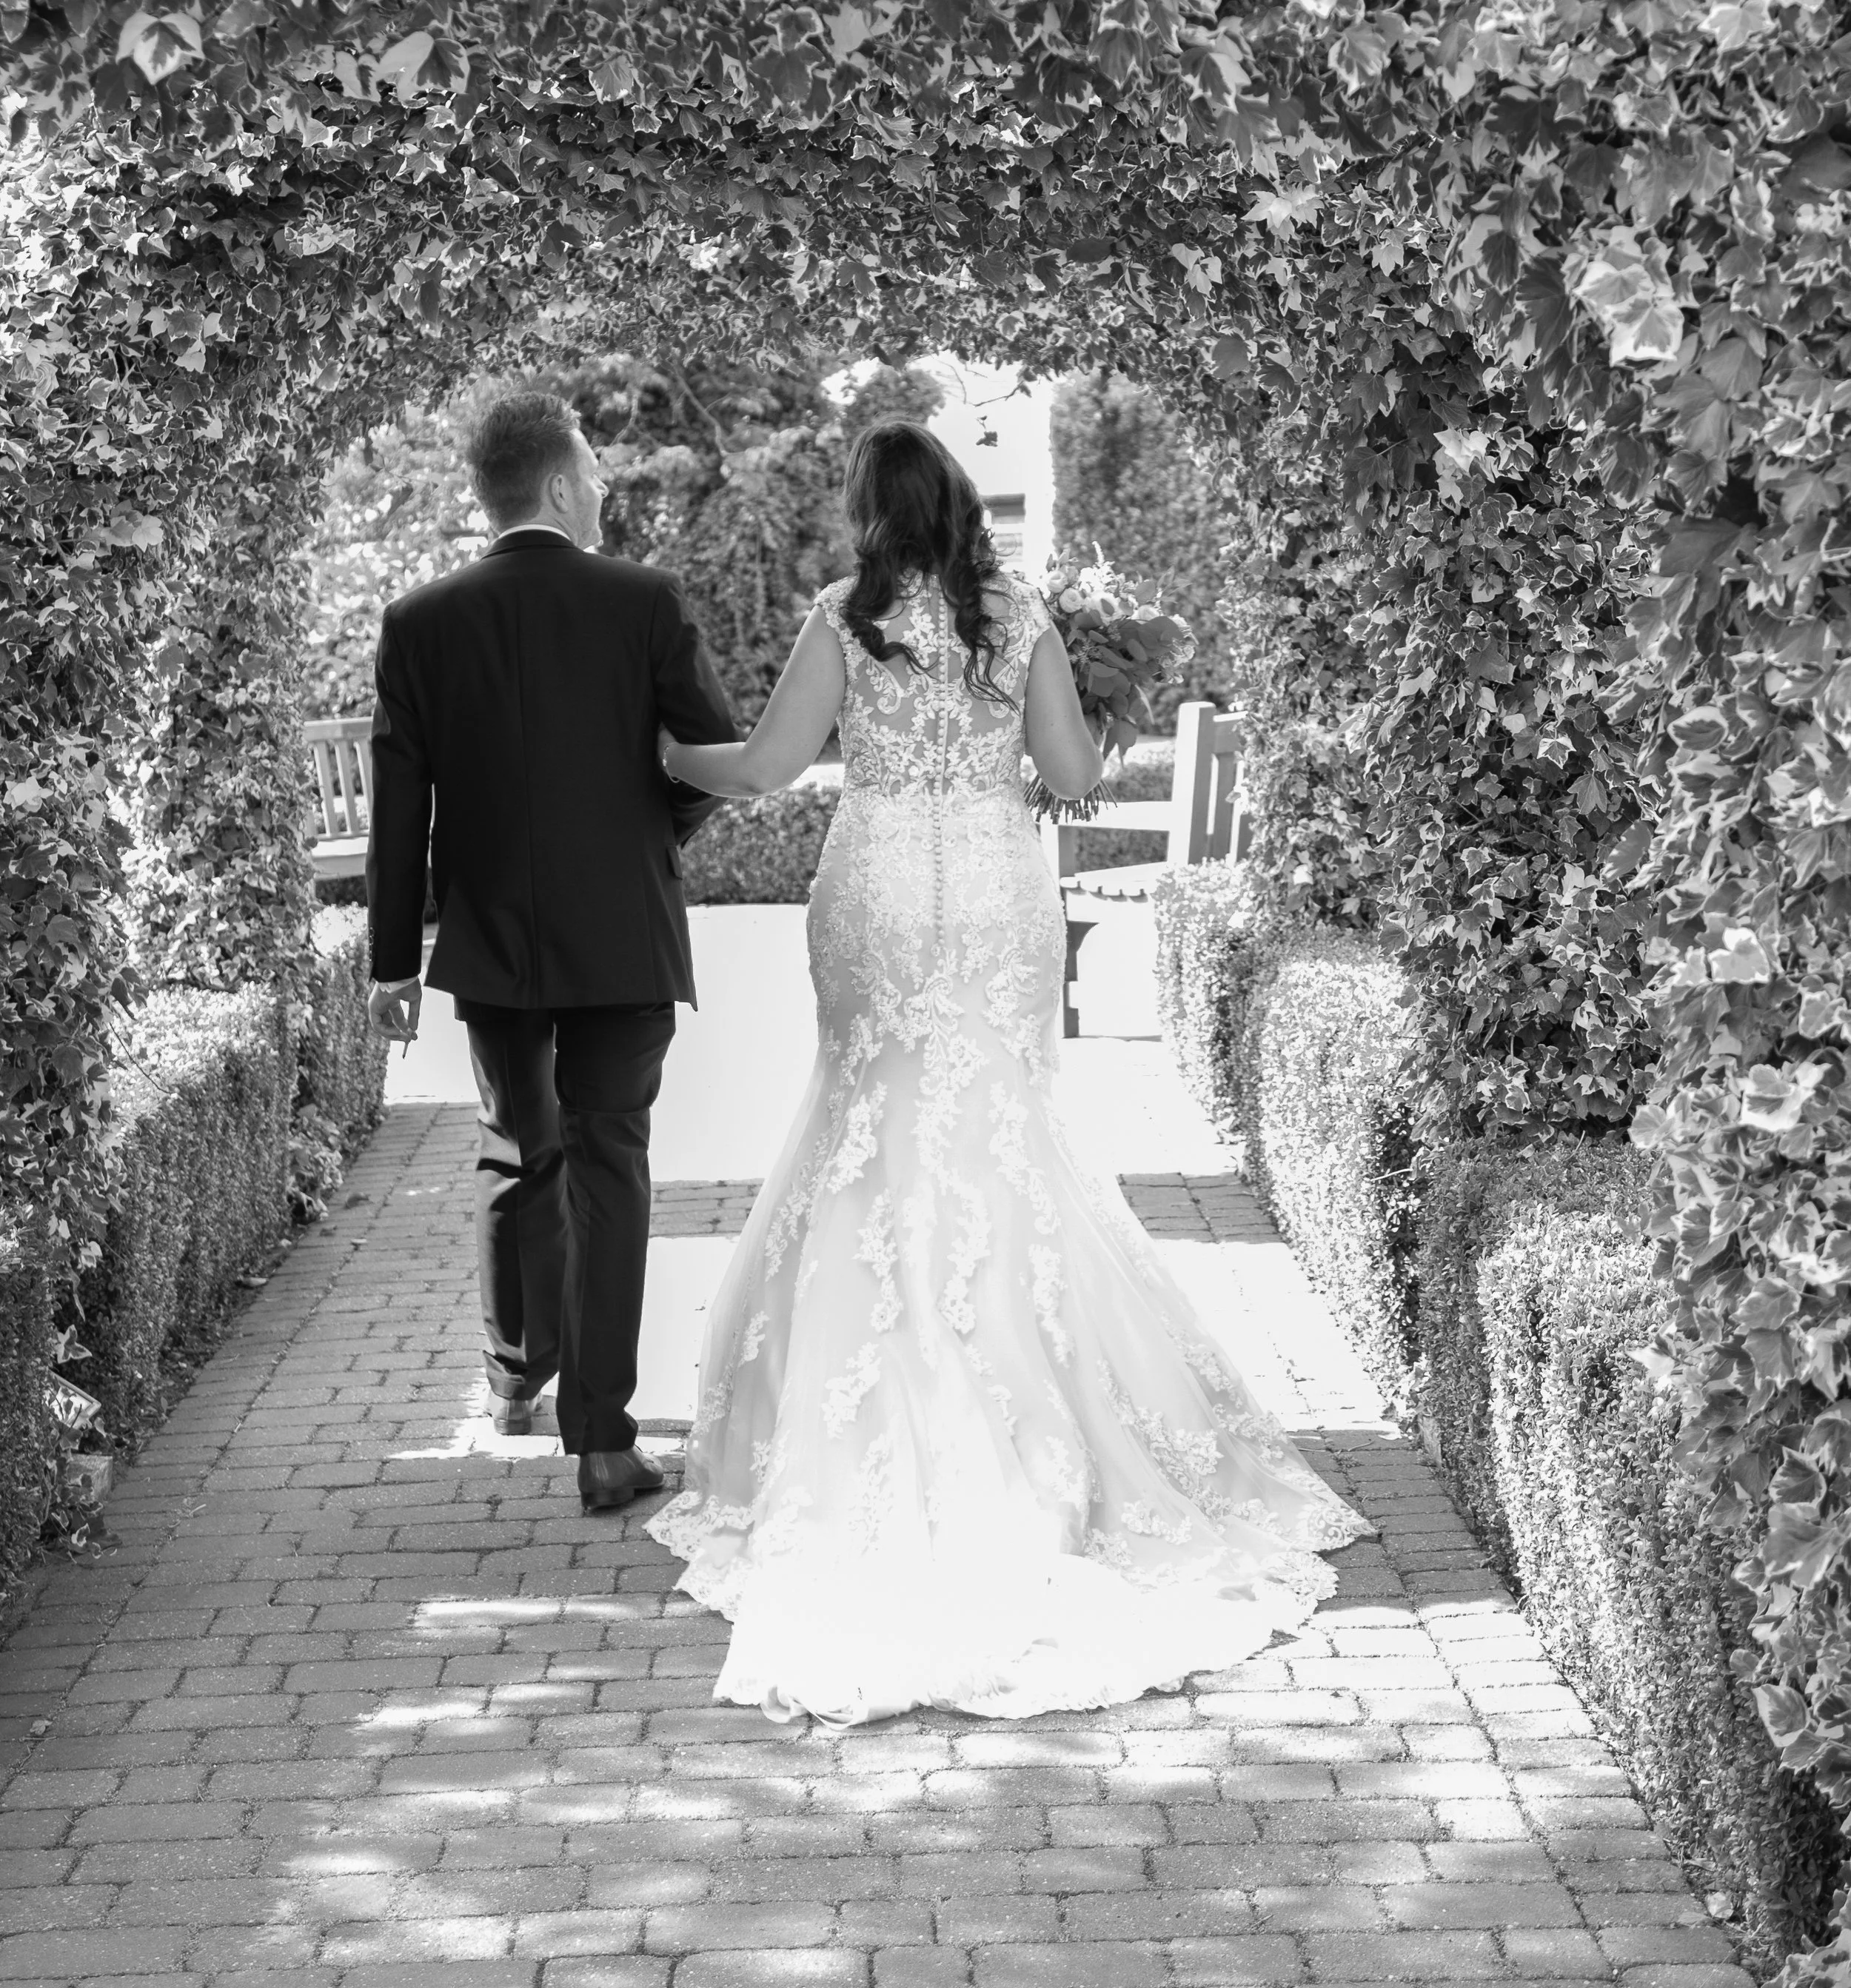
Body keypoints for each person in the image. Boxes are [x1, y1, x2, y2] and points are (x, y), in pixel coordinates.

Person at [650, 418, 1367, 1722]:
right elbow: (1077, 775)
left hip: (874, 887)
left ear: (874, 513)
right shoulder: (1019, 614)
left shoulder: (840, 619)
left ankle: (868, 1434)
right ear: (963, 506)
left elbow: (760, 771)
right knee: (999, 1126)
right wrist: (1090, 693)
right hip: (990, 891)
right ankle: (1058, 1429)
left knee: (874, 1111)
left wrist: (657, 758)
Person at [364, 386, 734, 1509]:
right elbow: (714, 753)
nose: (608, 490)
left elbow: (399, 808)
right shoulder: (644, 600)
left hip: (491, 941)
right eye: (600, 473)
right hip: (621, 935)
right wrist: (644, 838)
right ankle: (605, 1441)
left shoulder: (419, 621)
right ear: (565, 484)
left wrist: (392, 960)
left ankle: (515, 1376)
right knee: (609, 1161)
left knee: (516, 1152)